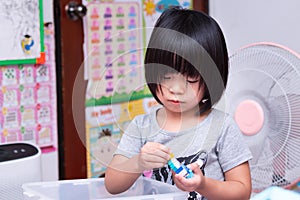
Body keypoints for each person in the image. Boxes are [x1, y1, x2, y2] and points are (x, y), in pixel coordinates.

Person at [104, 7, 252, 200]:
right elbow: (112, 185)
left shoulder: (221, 127)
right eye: (167, 75)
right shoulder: (142, 128)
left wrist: (203, 184)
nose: (176, 88)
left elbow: (242, 192)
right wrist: (138, 162)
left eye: (190, 77)